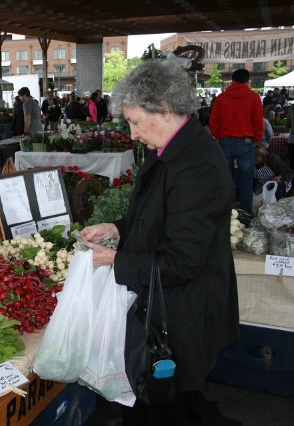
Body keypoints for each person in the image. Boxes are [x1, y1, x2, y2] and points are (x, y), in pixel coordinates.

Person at [80, 60, 239, 425]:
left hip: (184, 313)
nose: (133, 134)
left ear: (164, 110)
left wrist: (115, 261)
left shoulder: (195, 166)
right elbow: (160, 217)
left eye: (135, 122)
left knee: (170, 404)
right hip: (173, 306)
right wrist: (120, 228)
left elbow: (183, 260)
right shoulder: (173, 150)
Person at [209, 68, 264, 216]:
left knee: (224, 180)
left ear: (232, 81)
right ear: (247, 82)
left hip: (225, 141)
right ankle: (245, 215)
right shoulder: (253, 97)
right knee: (246, 182)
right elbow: (258, 122)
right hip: (245, 142)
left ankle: (224, 214)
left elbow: (213, 122)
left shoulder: (221, 98)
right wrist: (254, 139)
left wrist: (219, 137)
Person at [287, 103, 294, 169]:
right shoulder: (290, 111)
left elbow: (288, 125)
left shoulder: (291, 111)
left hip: (292, 137)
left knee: (291, 156)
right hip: (292, 137)